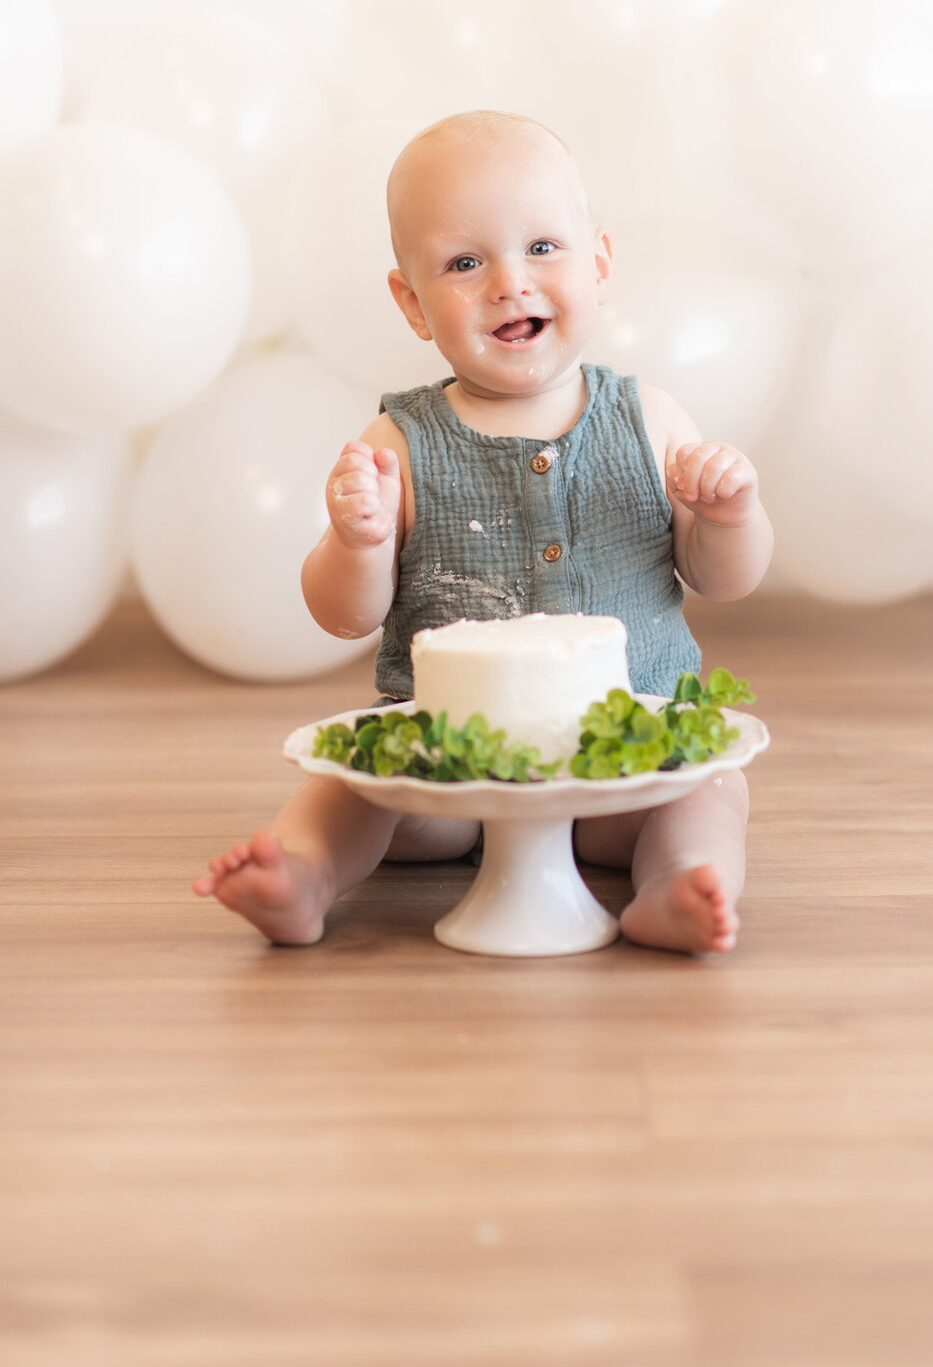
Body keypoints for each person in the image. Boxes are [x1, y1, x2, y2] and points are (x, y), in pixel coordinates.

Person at [193, 111, 773, 953]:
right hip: (452, 778)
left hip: (627, 767)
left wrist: (729, 516)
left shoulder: (649, 421)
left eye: (543, 248)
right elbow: (344, 617)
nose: (511, 282)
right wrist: (355, 545)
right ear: (413, 303)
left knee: (711, 787)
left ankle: (677, 882)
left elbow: (725, 578)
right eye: (465, 263)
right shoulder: (398, 444)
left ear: (600, 264)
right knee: (352, 779)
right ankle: (303, 872)